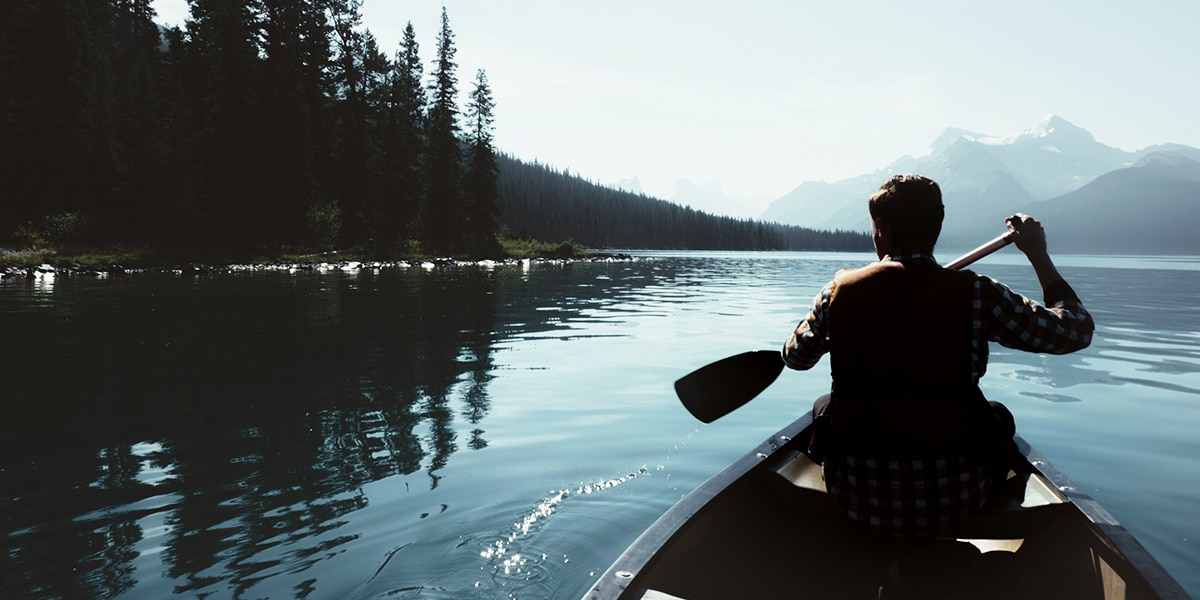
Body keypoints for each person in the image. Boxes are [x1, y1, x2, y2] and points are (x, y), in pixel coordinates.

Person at [783, 174, 1094, 537]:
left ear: (880, 229)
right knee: (997, 416)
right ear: (937, 227)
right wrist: (1038, 255)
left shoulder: (839, 292)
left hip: (855, 495)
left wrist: (848, 324)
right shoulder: (978, 294)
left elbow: (795, 358)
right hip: (957, 499)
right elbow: (1076, 330)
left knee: (825, 406)